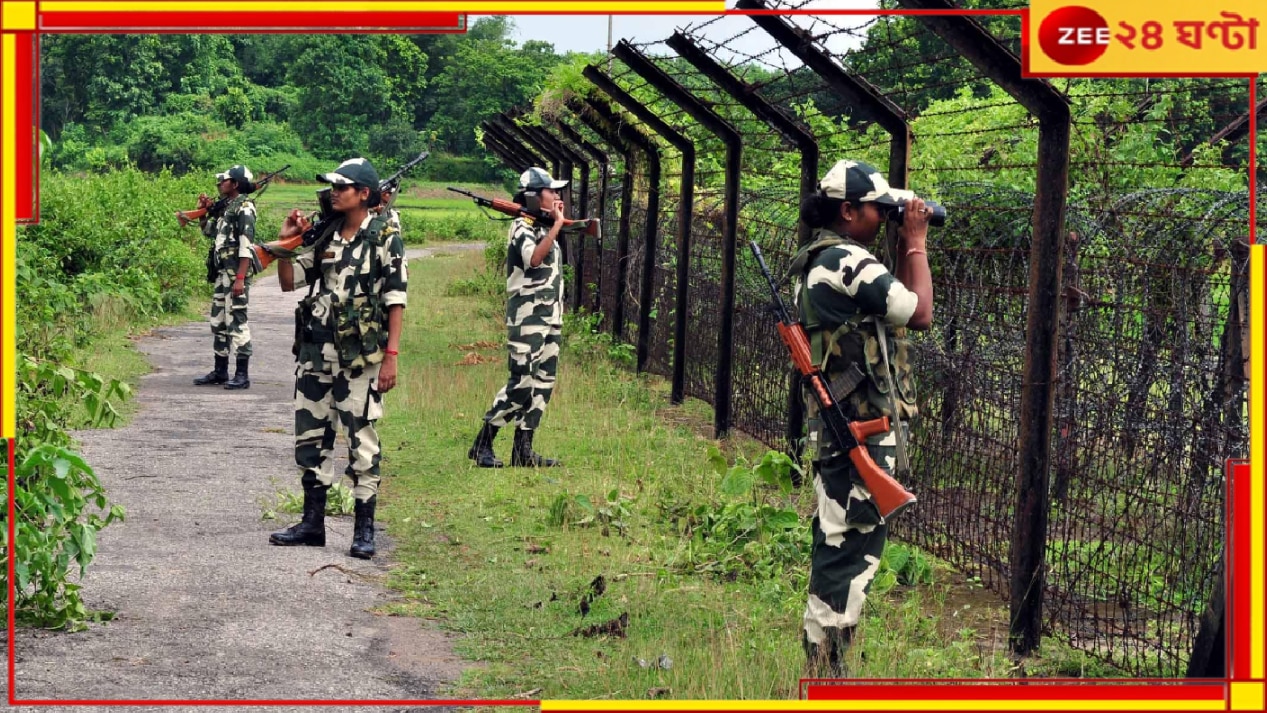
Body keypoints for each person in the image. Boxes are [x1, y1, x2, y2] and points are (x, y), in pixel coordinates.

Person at [787, 159, 934, 676]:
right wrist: (914, 240)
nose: (885, 216)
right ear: (848, 211)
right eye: (878, 208)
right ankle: (829, 669)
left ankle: (827, 660)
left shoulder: (819, 259)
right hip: (859, 433)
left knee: (839, 543)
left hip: (844, 428)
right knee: (851, 550)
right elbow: (919, 312)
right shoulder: (848, 259)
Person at [268, 158, 407, 560]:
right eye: (333, 186)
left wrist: (391, 357)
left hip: (359, 360)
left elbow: (395, 299)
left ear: (364, 194)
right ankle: (313, 524)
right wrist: (284, 241)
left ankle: (364, 530)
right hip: (315, 355)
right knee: (310, 439)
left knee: (361, 441)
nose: (335, 192)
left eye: (343, 187)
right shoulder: (327, 235)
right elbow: (288, 281)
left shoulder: (384, 238)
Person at [467, 167, 567, 469]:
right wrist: (558, 226)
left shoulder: (542, 225)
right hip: (528, 319)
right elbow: (533, 259)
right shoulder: (522, 227)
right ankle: (482, 443)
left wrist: (556, 225)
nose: (557, 195)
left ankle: (523, 449)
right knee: (521, 384)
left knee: (542, 383)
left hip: (550, 317)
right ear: (535, 197)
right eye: (551, 191)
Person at [193, 164, 257, 389]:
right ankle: (220, 371)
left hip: (234, 273)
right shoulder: (227, 207)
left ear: (236, 184)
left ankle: (242, 374)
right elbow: (210, 232)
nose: (219, 184)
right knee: (219, 321)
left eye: (225, 180)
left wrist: (240, 277)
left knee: (237, 320)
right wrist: (202, 213)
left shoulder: (245, 208)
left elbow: (246, 245)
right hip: (223, 273)